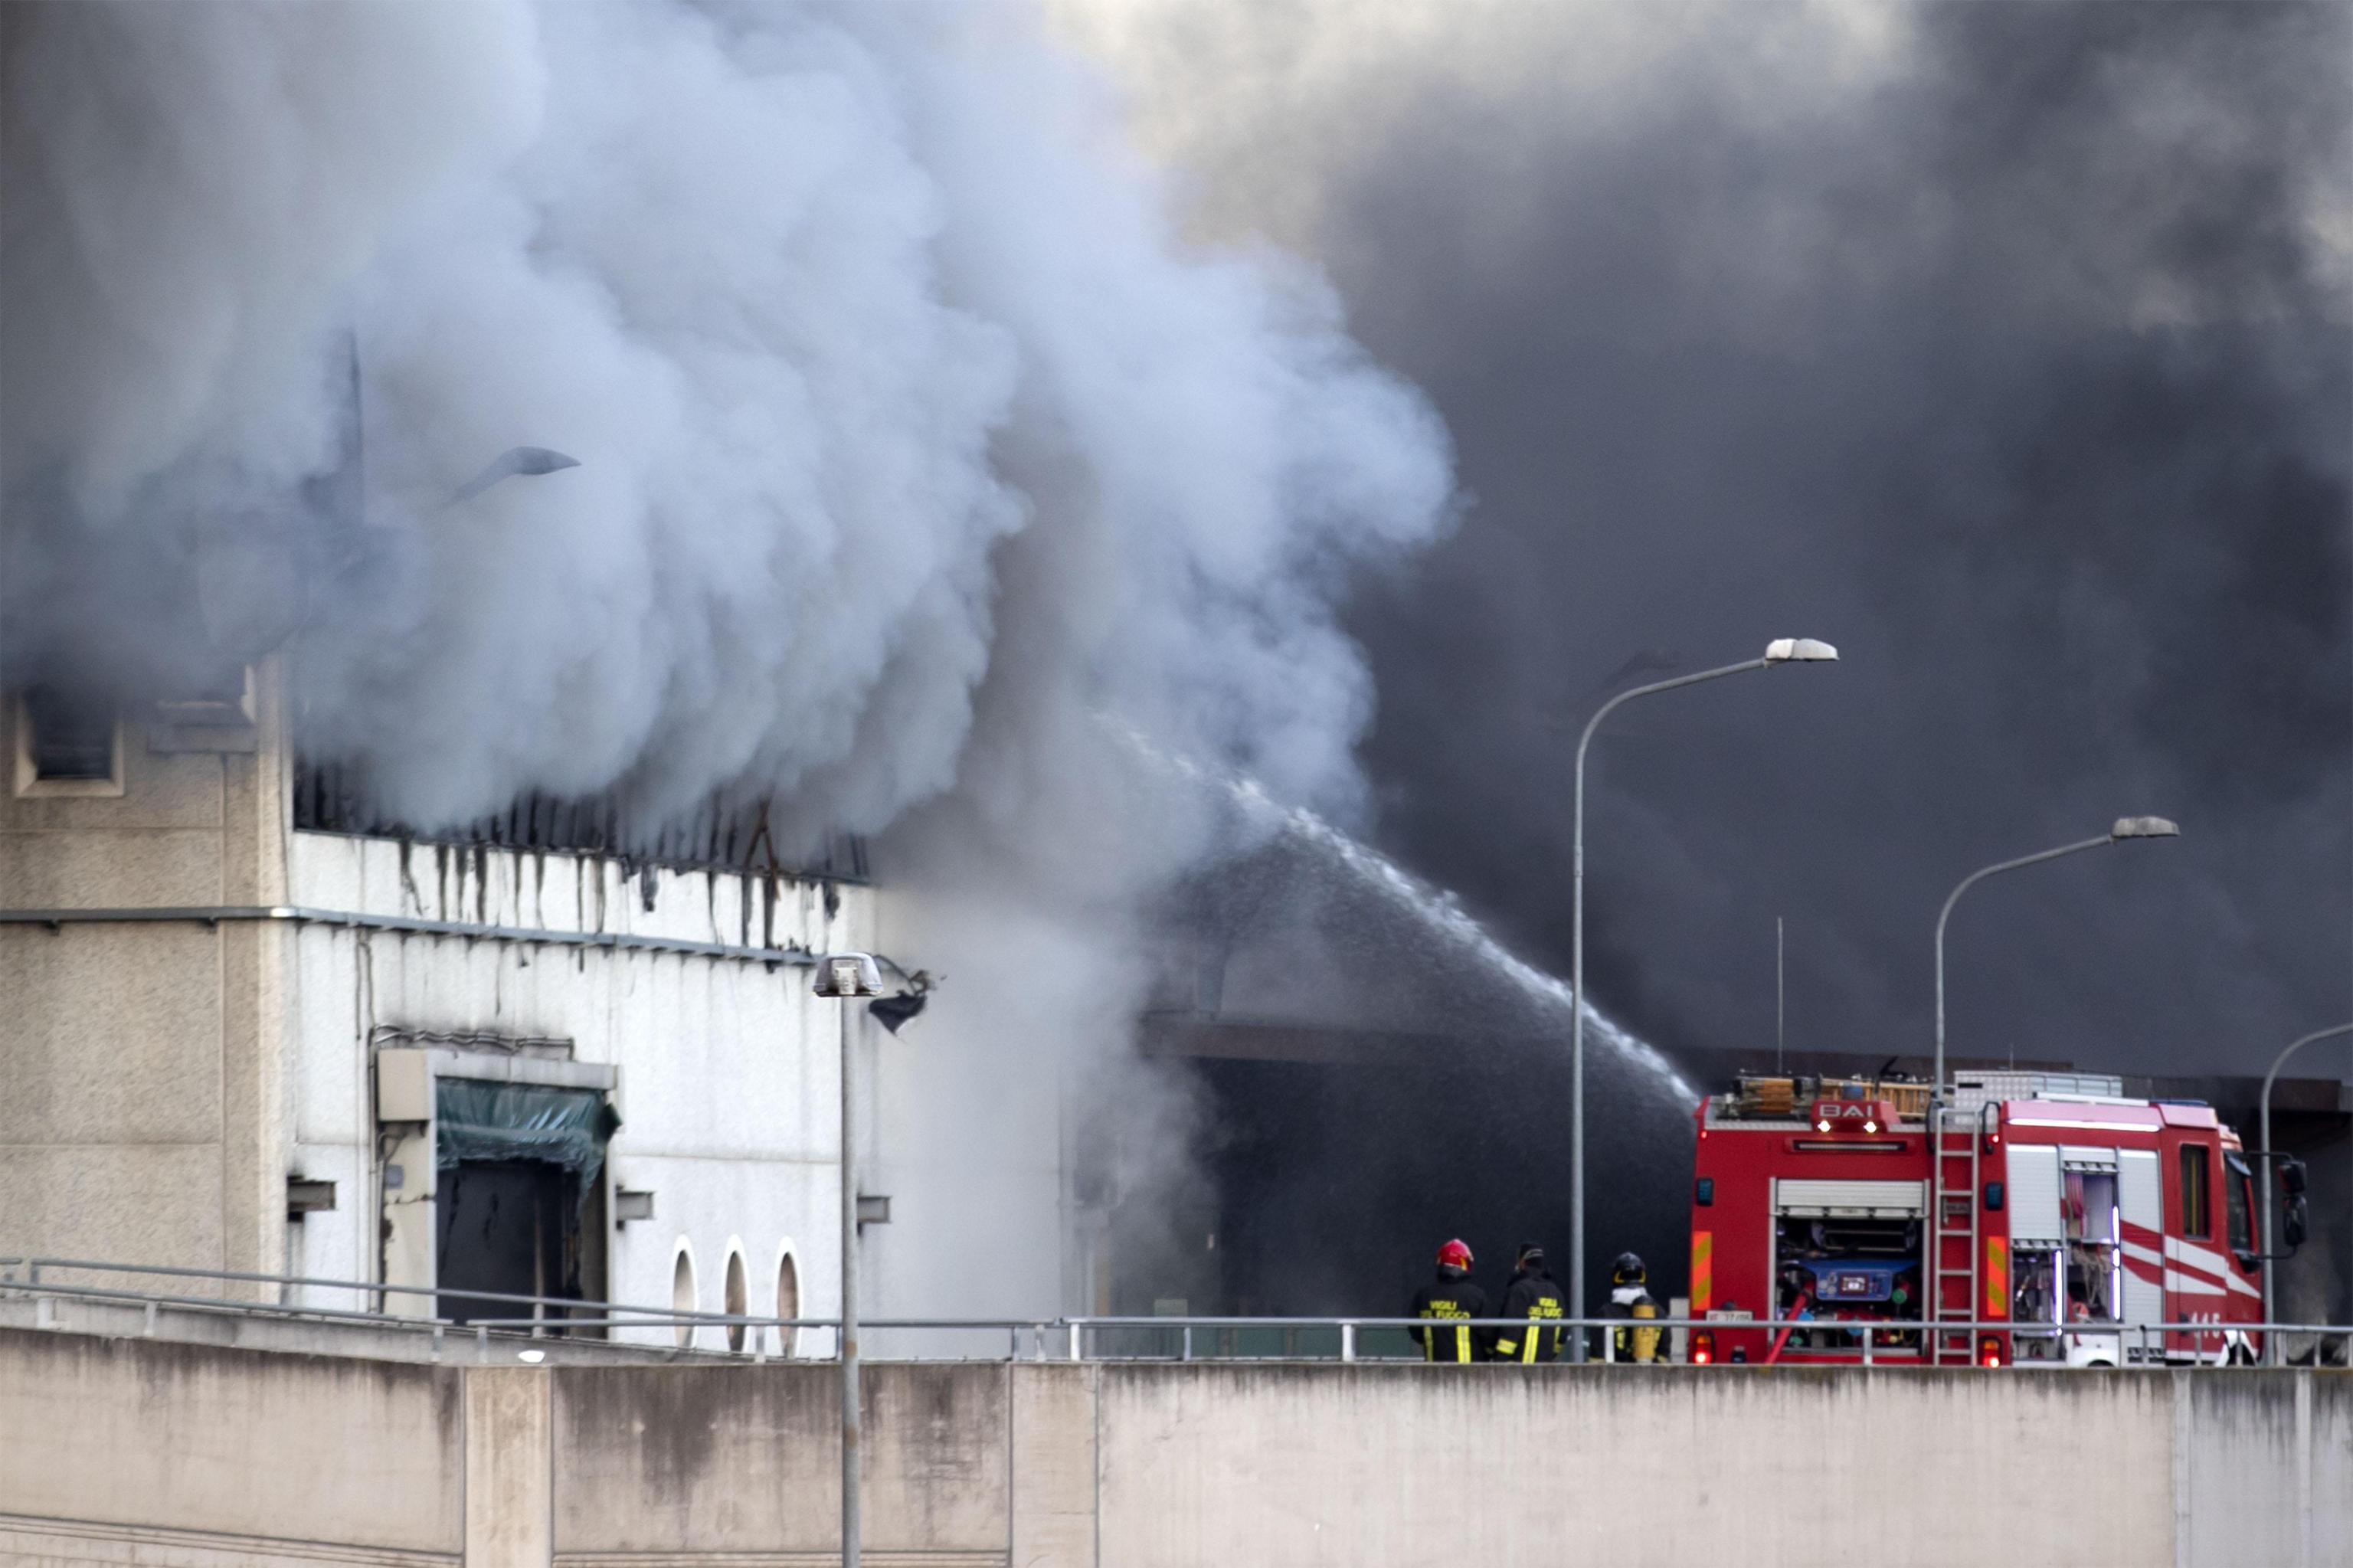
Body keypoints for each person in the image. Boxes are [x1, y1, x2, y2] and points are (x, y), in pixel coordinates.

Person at [1409, 1238, 1490, 1363]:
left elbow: (1415, 1332)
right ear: (1464, 1263)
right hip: (1469, 1374)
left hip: (1432, 1372)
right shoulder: (1476, 1296)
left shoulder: (1424, 1295)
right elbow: (1487, 1336)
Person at [1492, 1242, 1567, 1363]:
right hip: (1545, 1371)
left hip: (1517, 1370)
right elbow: (1562, 1336)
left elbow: (1510, 1333)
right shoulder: (1556, 1293)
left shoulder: (1519, 1289)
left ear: (1522, 1262)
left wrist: (1498, 1361)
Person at [1608, 1250, 1663, 1363]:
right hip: (1653, 1377)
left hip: (1615, 1377)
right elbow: (1664, 1354)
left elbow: (1597, 1358)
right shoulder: (1659, 1312)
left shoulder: (1605, 1313)